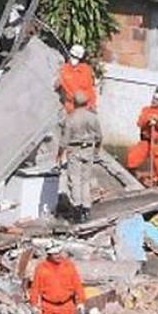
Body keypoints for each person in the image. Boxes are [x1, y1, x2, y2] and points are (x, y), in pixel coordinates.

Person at [59, 91, 102, 223]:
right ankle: (86, 209)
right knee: (85, 180)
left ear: (74, 103)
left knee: (75, 180)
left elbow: (64, 140)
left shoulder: (70, 118)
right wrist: (95, 152)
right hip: (88, 150)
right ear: (86, 102)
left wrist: (59, 154)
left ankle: (77, 210)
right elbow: (99, 137)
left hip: (75, 150)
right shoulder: (93, 117)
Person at [28, 244, 86, 314]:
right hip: (48, 309)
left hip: (67, 308)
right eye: (55, 254)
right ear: (49, 255)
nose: (58, 256)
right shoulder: (41, 268)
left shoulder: (69, 266)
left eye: (59, 253)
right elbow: (35, 288)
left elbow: (77, 285)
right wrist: (34, 305)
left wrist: (81, 302)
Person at [125, 87, 158, 185]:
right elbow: (140, 123)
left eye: (156, 100)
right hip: (146, 142)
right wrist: (148, 120)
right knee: (132, 158)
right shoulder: (146, 110)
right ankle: (134, 179)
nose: (153, 101)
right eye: (153, 98)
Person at [57, 44, 97, 112]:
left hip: (82, 108)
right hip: (75, 108)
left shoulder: (85, 69)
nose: (74, 59)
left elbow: (90, 89)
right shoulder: (65, 69)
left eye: (76, 57)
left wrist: (92, 104)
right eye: (73, 56)